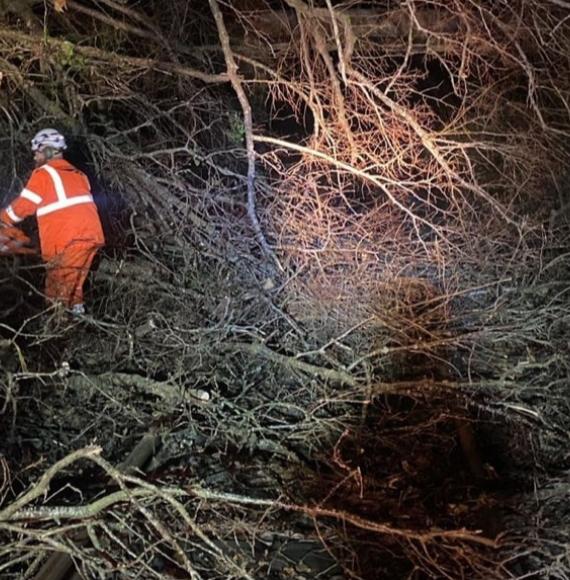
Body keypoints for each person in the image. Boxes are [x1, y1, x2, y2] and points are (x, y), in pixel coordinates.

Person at [0, 128, 104, 316]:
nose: (35, 158)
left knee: (55, 294)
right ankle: (79, 326)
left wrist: (3, 219)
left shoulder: (44, 173)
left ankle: (57, 335)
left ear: (47, 150)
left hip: (69, 240)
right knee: (74, 291)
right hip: (91, 236)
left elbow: (24, 206)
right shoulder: (78, 174)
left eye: (37, 152)